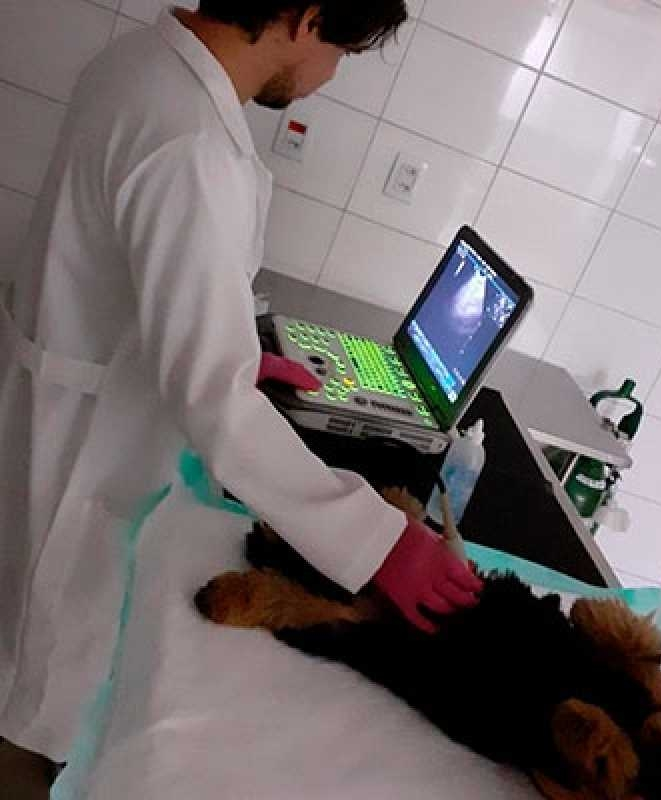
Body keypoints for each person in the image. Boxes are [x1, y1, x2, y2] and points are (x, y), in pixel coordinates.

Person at [0, 0, 482, 780]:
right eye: (341, 52)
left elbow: (129, 274)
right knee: (42, 689)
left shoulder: (142, 65)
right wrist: (381, 541)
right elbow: (213, 401)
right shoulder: (192, 145)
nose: (331, 74)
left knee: (34, 651)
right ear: (308, 17)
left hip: (73, 396)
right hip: (87, 447)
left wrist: (228, 347)